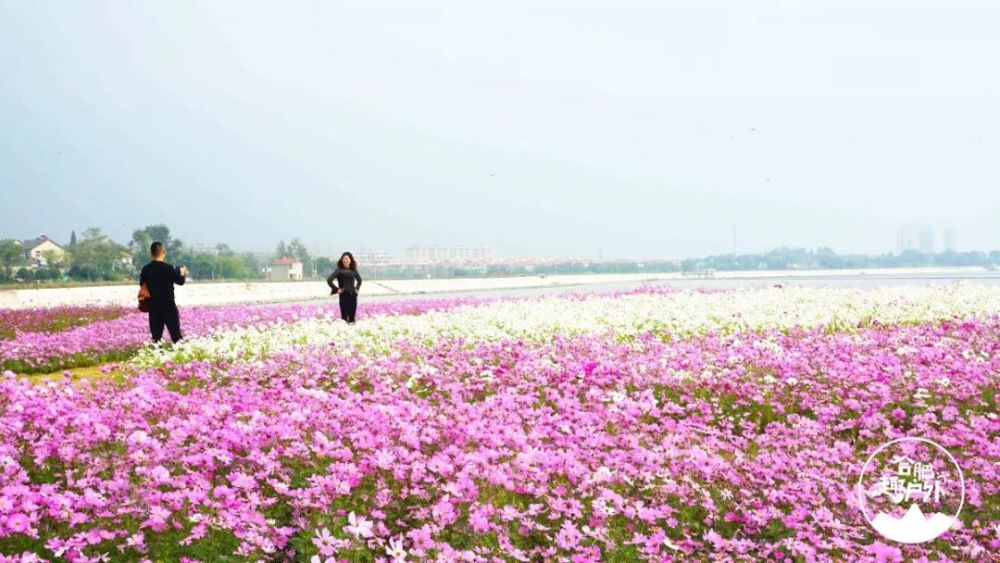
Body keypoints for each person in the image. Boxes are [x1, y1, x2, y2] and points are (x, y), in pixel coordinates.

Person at [139, 241, 188, 343]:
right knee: (176, 336)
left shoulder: (146, 269)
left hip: (153, 306)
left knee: (156, 338)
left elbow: (142, 285)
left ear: (151, 253)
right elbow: (181, 281)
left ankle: (157, 355)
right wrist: (182, 273)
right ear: (163, 252)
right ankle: (179, 355)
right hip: (168, 305)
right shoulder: (169, 268)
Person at [326, 251, 362, 324]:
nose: (345, 260)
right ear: (341, 260)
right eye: (343, 259)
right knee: (344, 316)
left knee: (352, 316)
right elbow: (329, 280)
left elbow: (359, 280)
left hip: (353, 295)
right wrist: (336, 289)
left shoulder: (354, 270)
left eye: (347, 259)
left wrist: (357, 289)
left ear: (351, 260)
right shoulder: (339, 270)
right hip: (344, 294)